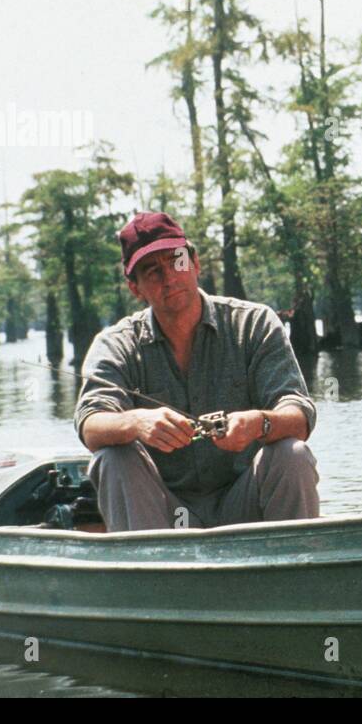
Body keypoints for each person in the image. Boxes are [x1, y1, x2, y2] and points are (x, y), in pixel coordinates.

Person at [74, 211, 320, 531]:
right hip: (162, 516)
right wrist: (137, 422)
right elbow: (90, 423)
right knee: (112, 458)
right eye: (152, 271)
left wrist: (258, 424)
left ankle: (294, 570)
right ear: (135, 288)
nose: (169, 278)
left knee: (292, 453)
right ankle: (146, 571)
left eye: (176, 261)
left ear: (195, 264)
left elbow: (299, 415)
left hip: (245, 506)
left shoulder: (254, 324)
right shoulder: (116, 343)